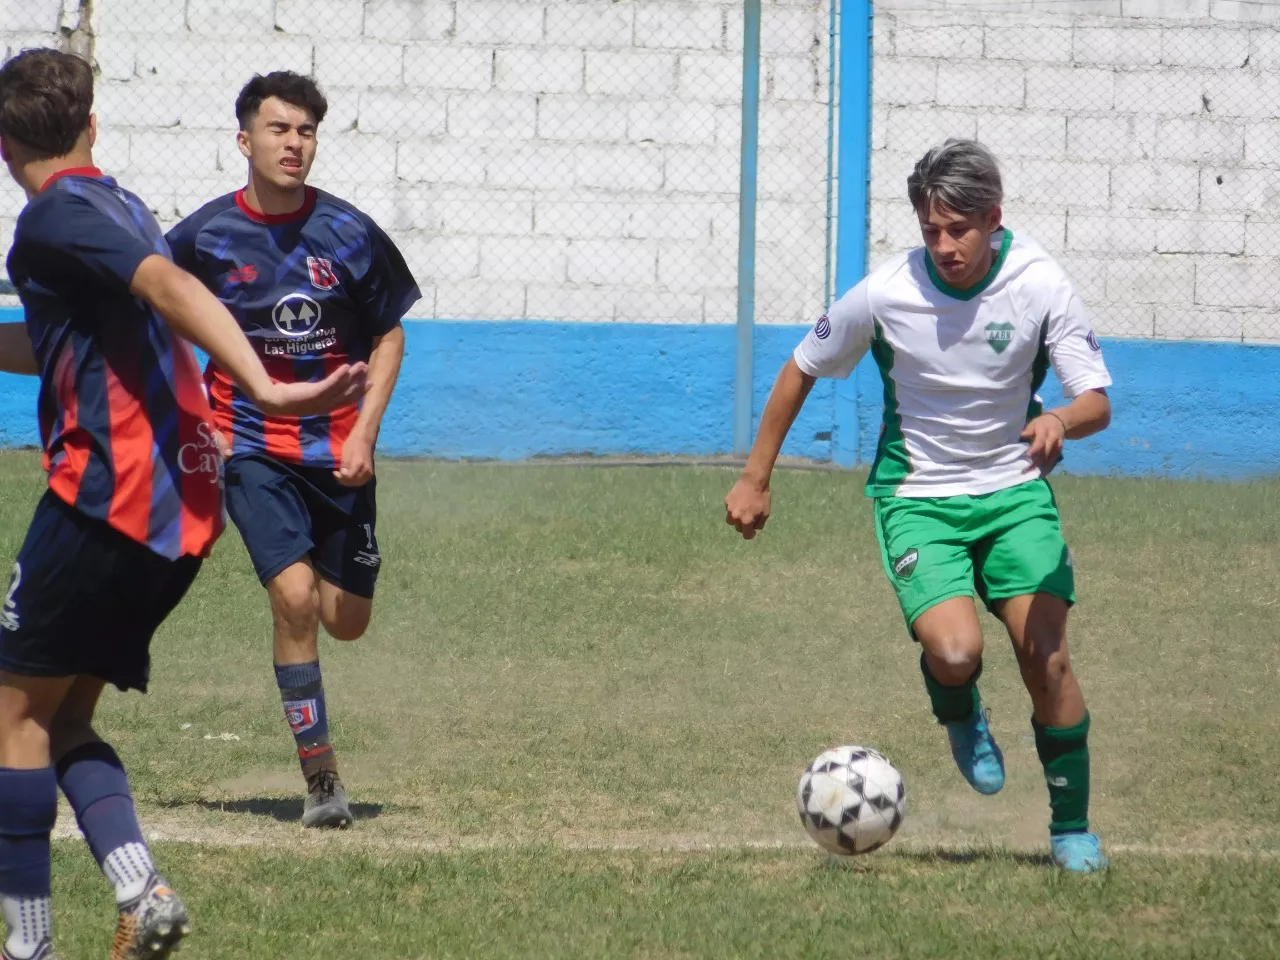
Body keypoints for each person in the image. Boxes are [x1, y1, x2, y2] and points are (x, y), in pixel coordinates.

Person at [0, 49, 367, 960]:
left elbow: (170, 290)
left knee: (11, 718)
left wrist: (269, 390)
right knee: (63, 717)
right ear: (91, 126)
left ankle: (28, 945)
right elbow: (70, 336)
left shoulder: (52, 217)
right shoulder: (120, 204)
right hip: (180, 507)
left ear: (5, 145)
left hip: (106, 497)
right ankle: (141, 890)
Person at [724, 138, 1114, 873]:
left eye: (958, 230)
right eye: (930, 230)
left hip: (1013, 494)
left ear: (993, 218)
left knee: (1048, 658)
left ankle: (1071, 830)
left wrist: (1060, 420)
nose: (943, 246)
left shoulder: (1038, 282)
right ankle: (960, 709)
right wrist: (755, 476)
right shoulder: (886, 291)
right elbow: (802, 366)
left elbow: (1096, 399)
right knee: (957, 651)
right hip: (918, 498)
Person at [166, 71, 420, 830]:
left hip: (339, 453)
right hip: (251, 448)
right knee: (296, 598)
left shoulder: (349, 232)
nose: (294, 144)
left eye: (305, 131)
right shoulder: (202, 238)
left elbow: (389, 335)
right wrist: (196, 419)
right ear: (244, 141)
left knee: (346, 617)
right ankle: (322, 780)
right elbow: (155, 322)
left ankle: (320, 749)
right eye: (278, 129)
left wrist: (365, 432)